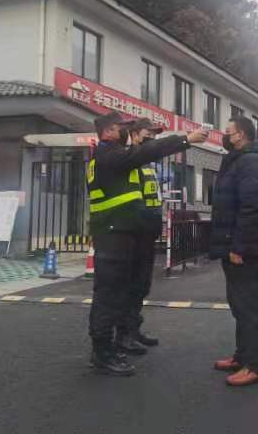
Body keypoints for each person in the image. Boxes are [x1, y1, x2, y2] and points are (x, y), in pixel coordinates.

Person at [87, 111, 207, 376]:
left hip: (121, 232)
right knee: (108, 295)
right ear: (108, 131)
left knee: (117, 293)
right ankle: (102, 353)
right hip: (112, 234)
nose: (126, 132)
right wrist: (186, 139)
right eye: (122, 127)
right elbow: (145, 152)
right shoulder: (108, 155)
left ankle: (112, 346)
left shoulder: (114, 155)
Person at [209, 115, 258, 387]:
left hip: (242, 247)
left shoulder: (251, 162)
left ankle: (255, 366)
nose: (224, 135)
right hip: (233, 243)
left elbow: (251, 207)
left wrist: (239, 246)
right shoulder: (238, 160)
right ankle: (242, 356)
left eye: (228, 131)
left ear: (240, 135)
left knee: (249, 306)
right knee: (238, 303)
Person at [121, 118, 165, 350]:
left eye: (155, 135)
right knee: (130, 285)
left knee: (142, 285)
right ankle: (124, 335)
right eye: (149, 134)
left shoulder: (147, 163)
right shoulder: (129, 159)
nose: (153, 138)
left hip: (148, 233)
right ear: (136, 134)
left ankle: (133, 329)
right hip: (135, 234)